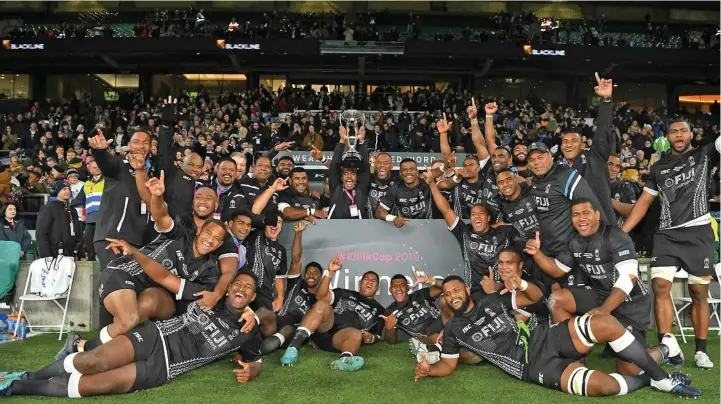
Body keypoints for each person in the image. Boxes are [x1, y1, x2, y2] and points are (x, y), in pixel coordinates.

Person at [413, 275, 701, 398]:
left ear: (465, 290)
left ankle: (662, 378)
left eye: (456, 291)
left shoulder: (491, 299)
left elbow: (536, 296)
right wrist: (429, 370)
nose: (452, 297)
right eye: (447, 294)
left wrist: (522, 283)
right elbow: (448, 365)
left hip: (546, 338)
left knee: (604, 323)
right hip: (533, 367)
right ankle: (660, 359)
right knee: (605, 386)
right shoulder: (451, 331)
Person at [1, 273, 262, 398]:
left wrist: (254, 370)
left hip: (165, 368)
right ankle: (28, 375)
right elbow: (164, 277)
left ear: (252, 297)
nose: (241, 288)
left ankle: (16, 387)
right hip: (154, 337)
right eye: (237, 283)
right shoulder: (206, 294)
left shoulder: (249, 330)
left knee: (89, 386)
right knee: (90, 362)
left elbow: (257, 359)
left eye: (248, 288)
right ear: (228, 288)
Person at [79, 176, 231, 355]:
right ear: (199, 231)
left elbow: (168, 281)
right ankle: (86, 348)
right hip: (124, 274)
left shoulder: (209, 270)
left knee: (141, 311)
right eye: (208, 233)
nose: (210, 241)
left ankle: (111, 352)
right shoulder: (180, 235)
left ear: (220, 244)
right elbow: (161, 216)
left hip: (149, 288)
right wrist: (157, 196)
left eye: (216, 239)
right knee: (130, 320)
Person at [525, 198, 676, 375]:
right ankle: (573, 357)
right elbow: (558, 269)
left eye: (586, 213)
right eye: (576, 215)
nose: (581, 219)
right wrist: (537, 254)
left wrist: (604, 310)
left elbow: (629, 278)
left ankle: (666, 349)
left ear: (597, 215)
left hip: (631, 304)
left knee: (629, 369)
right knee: (558, 300)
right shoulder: (575, 241)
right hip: (601, 294)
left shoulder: (615, 236)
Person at [621, 118, 721, 369]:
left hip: (698, 232)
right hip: (666, 234)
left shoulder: (706, 153)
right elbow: (643, 202)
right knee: (660, 286)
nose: (678, 135)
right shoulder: (659, 167)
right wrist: (622, 232)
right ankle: (667, 346)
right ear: (667, 137)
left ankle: (700, 350)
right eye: (673, 131)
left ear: (691, 134)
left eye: (683, 131)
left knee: (699, 292)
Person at [144, 171, 239, 311]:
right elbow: (160, 216)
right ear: (193, 201)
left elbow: (229, 271)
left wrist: (216, 295)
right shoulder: (181, 220)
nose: (202, 201)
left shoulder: (223, 234)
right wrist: (157, 196)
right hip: (163, 282)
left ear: (216, 204)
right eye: (198, 197)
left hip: (193, 293)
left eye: (208, 198)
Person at [426, 168, 519, 299]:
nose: (476, 217)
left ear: (488, 218)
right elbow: (445, 209)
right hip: (475, 293)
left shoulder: (505, 232)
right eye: (473, 214)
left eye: (481, 213)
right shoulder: (464, 232)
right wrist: (431, 183)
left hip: (503, 290)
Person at [279, 257, 385, 371]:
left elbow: (377, 335)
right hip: (324, 329)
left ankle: (344, 361)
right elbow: (320, 296)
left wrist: (372, 338)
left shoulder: (380, 310)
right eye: (366, 279)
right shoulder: (345, 293)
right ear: (360, 283)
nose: (369, 282)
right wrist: (330, 272)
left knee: (356, 333)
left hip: (341, 339)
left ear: (377, 288)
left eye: (373, 281)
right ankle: (293, 348)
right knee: (322, 304)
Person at [527, 141, 607, 288]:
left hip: (569, 251)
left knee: (570, 299)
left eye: (540, 157)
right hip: (546, 249)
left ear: (550, 156)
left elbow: (593, 208)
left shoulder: (565, 176)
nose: (536, 163)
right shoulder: (535, 181)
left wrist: (599, 243)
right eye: (531, 160)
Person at [88, 128, 151, 270]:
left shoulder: (150, 174)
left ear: (151, 147)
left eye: (145, 143)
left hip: (137, 243)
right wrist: (99, 151)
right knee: (119, 287)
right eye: (136, 142)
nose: (141, 145)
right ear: (128, 145)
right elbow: (106, 163)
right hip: (113, 239)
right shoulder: (119, 165)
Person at [558, 73, 616, 222]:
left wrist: (606, 100)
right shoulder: (556, 170)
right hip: (573, 232)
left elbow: (603, 129)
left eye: (573, 141)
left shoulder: (595, 157)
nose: (568, 144)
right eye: (565, 141)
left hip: (603, 227)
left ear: (582, 145)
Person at [260, 221, 321, 354]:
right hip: (275, 322)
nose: (311, 275)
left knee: (290, 329)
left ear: (320, 278)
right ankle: (245, 345)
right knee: (264, 312)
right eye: (308, 272)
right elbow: (296, 260)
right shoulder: (297, 283)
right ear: (304, 275)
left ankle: (266, 348)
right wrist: (298, 234)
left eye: (315, 273)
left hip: (291, 333)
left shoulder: (320, 300)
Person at [245, 186, 289, 337]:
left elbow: (280, 276)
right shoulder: (256, 234)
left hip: (265, 294)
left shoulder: (281, 250)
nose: (275, 225)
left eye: (279, 222)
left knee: (268, 330)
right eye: (272, 221)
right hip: (246, 286)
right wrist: (273, 188)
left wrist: (280, 297)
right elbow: (255, 211)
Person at [157, 97, 204, 218]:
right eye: (191, 165)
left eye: (199, 167)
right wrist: (166, 125)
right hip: (171, 230)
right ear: (182, 164)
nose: (195, 169)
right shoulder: (172, 175)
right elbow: (164, 151)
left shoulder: (206, 186)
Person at [381, 267, 443, 346]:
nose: (398, 289)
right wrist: (389, 328)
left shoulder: (420, 294)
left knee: (444, 301)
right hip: (426, 338)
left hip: (442, 325)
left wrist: (430, 280)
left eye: (402, 285)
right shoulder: (390, 311)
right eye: (394, 286)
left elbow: (447, 286)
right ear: (390, 290)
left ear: (407, 287)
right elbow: (391, 341)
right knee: (437, 339)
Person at [327, 126, 370, 219]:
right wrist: (342, 141)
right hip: (335, 231)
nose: (349, 176)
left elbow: (365, 167)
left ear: (357, 178)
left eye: (353, 174)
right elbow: (334, 165)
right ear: (341, 177)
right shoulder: (336, 188)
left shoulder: (361, 189)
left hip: (359, 230)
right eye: (346, 174)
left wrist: (362, 141)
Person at [376, 158, 433, 227]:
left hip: (428, 227)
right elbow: (379, 212)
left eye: (412, 169)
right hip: (404, 229)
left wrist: (444, 167)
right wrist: (393, 218)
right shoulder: (395, 188)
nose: (408, 172)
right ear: (400, 173)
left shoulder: (428, 184)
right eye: (405, 170)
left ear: (417, 171)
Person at [36, 181, 81, 258]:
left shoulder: (72, 209)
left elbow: (78, 232)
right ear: (57, 191)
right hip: (53, 253)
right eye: (64, 189)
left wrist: (81, 253)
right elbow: (41, 233)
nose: (67, 191)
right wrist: (46, 255)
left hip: (70, 253)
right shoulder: (48, 207)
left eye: (69, 189)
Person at [496, 168, 540, 244]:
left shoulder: (534, 192)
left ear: (517, 179)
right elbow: (505, 222)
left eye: (508, 179)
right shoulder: (503, 204)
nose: (505, 184)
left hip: (550, 241)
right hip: (525, 245)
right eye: (501, 182)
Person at [72, 159, 104, 261]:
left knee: (103, 241)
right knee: (88, 239)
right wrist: (67, 204)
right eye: (94, 167)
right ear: (90, 170)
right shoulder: (87, 184)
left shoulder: (108, 181)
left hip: (104, 217)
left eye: (99, 166)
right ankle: (91, 261)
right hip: (91, 218)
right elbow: (79, 199)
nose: (97, 169)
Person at [608, 154, 636, 228]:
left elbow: (632, 212)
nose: (613, 169)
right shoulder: (593, 186)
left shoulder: (625, 187)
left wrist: (608, 200)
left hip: (618, 234)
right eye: (610, 164)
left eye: (617, 166)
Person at [365, 152, 396, 218]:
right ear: (375, 165)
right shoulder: (368, 179)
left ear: (391, 166)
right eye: (379, 162)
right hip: (368, 222)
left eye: (386, 163)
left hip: (390, 223)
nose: (382, 165)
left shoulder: (397, 181)